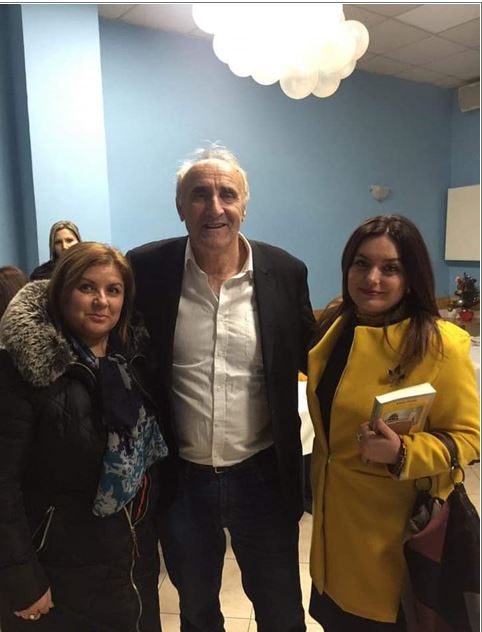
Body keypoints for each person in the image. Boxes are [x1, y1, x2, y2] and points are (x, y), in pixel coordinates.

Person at [127, 145, 316, 632]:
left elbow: (314, 356)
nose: (215, 207)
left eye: (227, 194)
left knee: (281, 612)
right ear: (180, 207)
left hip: (263, 477)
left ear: (244, 205)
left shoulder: (285, 272)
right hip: (181, 480)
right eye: (199, 195)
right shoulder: (147, 269)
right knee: (197, 612)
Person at [307, 214, 480, 631]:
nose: (373, 278)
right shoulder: (336, 325)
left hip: (394, 544)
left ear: (411, 277)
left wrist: (404, 452)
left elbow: (470, 438)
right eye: (361, 263)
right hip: (332, 533)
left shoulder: (439, 345)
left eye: (391, 268)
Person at [0, 242, 168, 631]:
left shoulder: (132, 363)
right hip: (60, 571)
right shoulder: (21, 370)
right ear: (62, 291)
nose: (101, 301)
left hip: (131, 561)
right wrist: (22, 579)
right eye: (86, 287)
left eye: (113, 290)